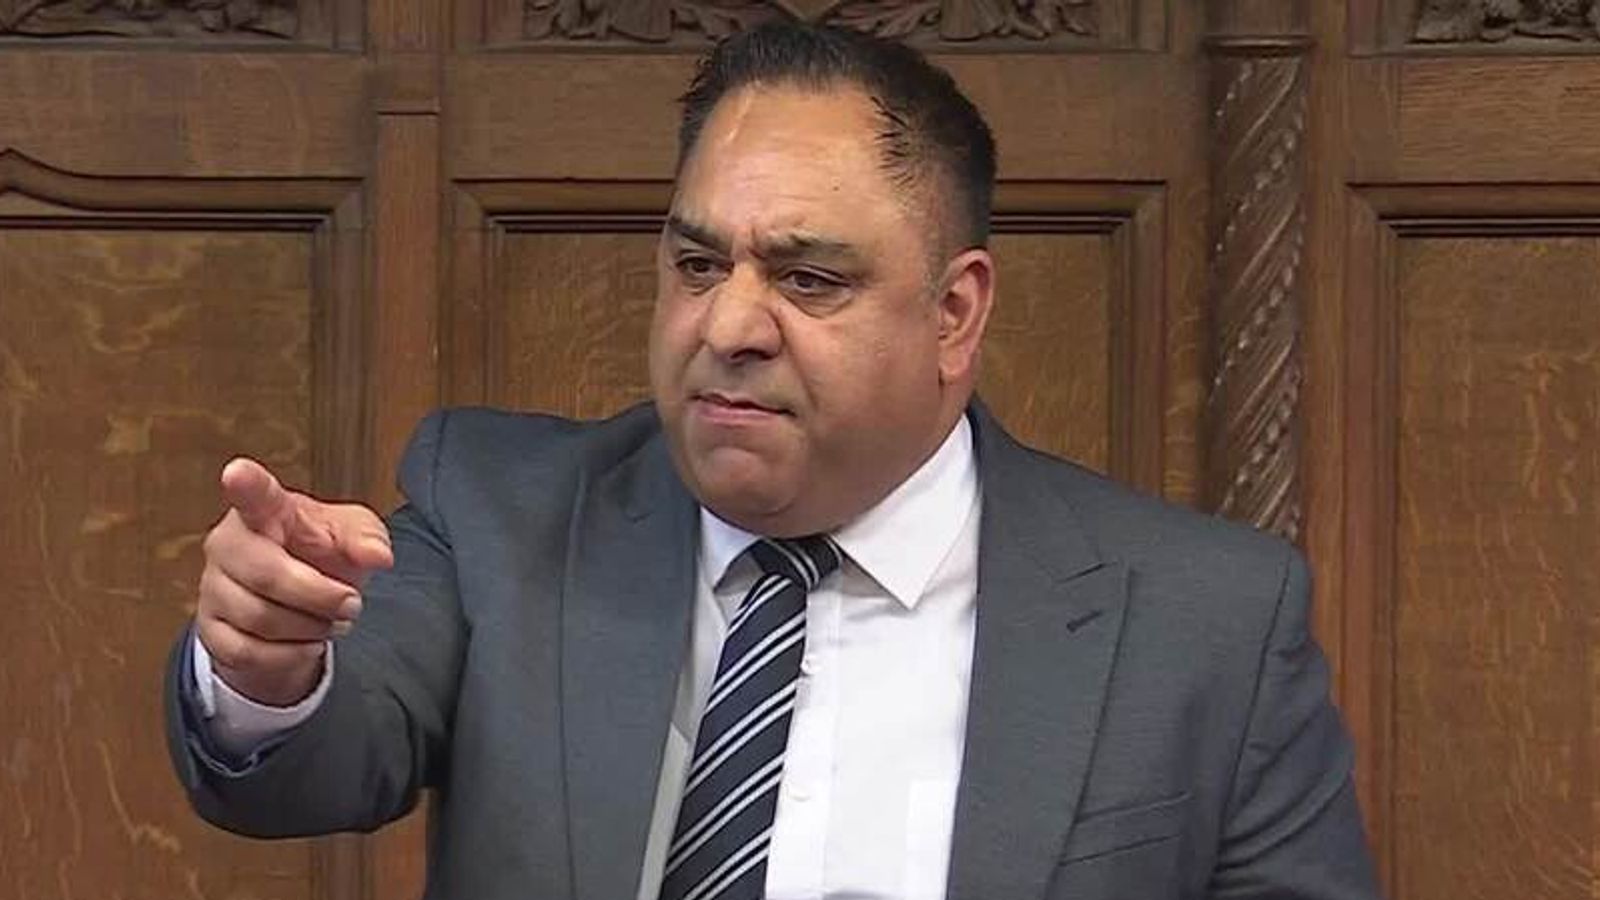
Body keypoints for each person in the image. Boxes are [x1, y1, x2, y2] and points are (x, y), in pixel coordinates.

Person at [163, 21, 1382, 900]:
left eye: (807, 278)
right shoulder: (499, 516)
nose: (729, 326)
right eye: (698, 266)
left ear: (953, 313)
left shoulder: (1206, 623)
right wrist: (266, 669)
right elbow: (305, 769)